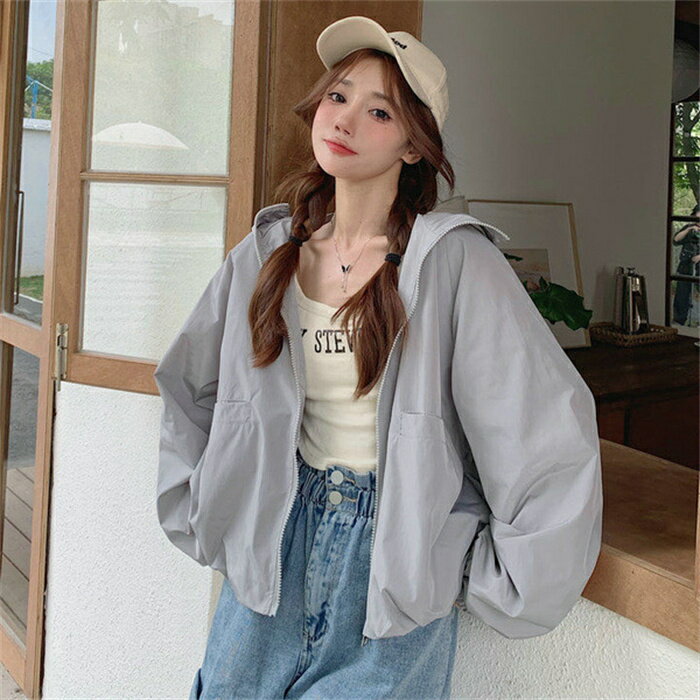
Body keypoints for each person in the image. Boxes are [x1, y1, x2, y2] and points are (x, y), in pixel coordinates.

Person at [153, 16, 603, 700]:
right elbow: (190, 386)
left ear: (414, 146)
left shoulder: (453, 263)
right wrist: (205, 505)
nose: (344, 119)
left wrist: (486, 572)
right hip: (272, 552)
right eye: (338, 96)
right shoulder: (267, 255)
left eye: (380, 111)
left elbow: (544, 426)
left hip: (391, 569)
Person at [672, 203, 700, 326]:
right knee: (682, 294)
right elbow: (675, 240)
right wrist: (689, 229)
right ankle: (679, 319)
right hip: (686, 265)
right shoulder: (689, 228)